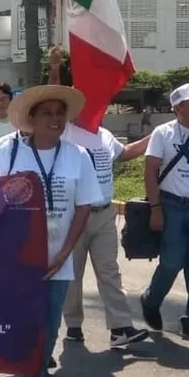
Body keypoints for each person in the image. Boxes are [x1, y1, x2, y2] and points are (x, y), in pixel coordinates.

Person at [0, 85, 104, 377]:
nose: (55, 119)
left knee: (48, 330)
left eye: (60, 113)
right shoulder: (6, 151)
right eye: (47, 113)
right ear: (31, 119)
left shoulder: (77, 155)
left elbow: (85, 206)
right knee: (23, 327)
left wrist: (66, 251)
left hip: (58, 260)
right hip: (17, 258)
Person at [62, 118, 151, 349]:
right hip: (74, 214)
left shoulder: (105, 135)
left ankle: (120, 328)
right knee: (72, 274)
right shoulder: (66, 132)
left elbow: (126, 153)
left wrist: (156, 136)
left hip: (103, 213)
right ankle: (73, 326)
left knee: (109, 271)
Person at [139, 83, 189, 344]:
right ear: (179, 108)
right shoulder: (164, 133)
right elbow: (151, 171)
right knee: (172, 262)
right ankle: (151, 300)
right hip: (174, 206)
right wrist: (156, 208)